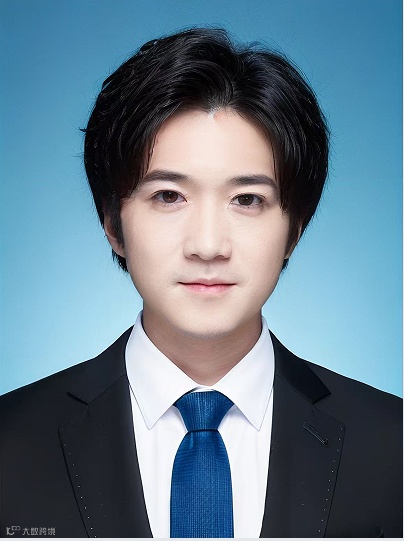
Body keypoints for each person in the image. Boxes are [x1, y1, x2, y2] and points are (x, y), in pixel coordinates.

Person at [0, 28, 402, 539]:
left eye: (247, 200)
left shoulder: (392, 444)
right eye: (168, 196)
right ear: (112, 225)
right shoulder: (10, 441)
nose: (208, 245)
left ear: (294, 230)